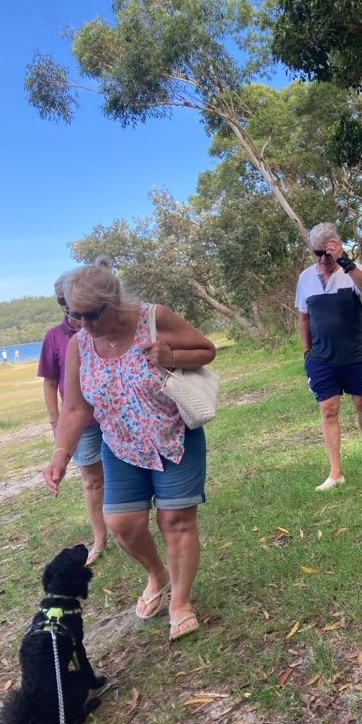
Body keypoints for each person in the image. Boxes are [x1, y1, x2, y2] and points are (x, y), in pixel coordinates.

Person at [43, 258, 216, 643]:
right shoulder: (78, 344)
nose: (84, 324)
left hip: (173, 437)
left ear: (114, 301)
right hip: (120, 445)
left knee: (176, 520)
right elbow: (76, 408)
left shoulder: (154, 318)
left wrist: (172, 357)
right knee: (123, 524)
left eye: (91, 314)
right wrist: (60, 454)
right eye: (75, 315)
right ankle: (158, 574)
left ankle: (180, 602)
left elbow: (206, 350)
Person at [296, 223, 362, 490]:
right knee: (328, 410)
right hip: (321, 359)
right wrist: (307, 352)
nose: (323, 258)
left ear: (338, 247)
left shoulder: (352, 271)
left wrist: (345, 261)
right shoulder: (305, 278)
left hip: (355, 355)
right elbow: (304, 317)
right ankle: (336, 473)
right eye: (317, 253)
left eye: (328, 253)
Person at [38, 275, 108, 565]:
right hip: (83, 425)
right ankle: (100, 539)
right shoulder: (54, 337)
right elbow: (50, 382)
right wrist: (57, 424)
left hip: (115, 415)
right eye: (70, 305)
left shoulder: (105, 325)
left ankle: (130, 527)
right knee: (92, 480)